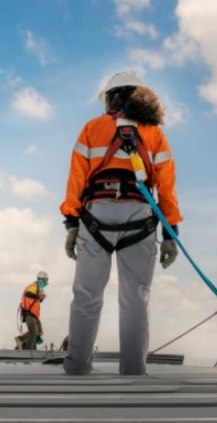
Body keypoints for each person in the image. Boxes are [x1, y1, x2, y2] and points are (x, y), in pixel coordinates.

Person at [60, 70, 182, 376]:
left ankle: (77, 367)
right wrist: (170, 233)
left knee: (87, 295)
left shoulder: (92, 128)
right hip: (139, 217)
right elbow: (166, 187)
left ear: (112, 98)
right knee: (136, 298)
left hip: (96, 216)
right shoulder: (154, 132)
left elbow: (76, 178)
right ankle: (133, 372)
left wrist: (71, 222)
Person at [15, 271, 48, 350]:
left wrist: (41, 298)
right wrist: (39, 296)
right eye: (46, 280)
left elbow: (36, 300)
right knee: (34, 333)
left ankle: (21, 340)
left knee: (39, 331)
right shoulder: (34, 285)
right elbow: (28, 294)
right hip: (29, 313)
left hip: (33, 314)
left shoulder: (37, 288)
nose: (46, 282)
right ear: (42, 279)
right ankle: (28, 349)